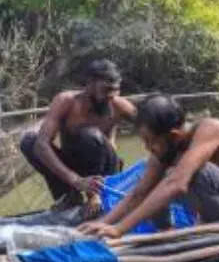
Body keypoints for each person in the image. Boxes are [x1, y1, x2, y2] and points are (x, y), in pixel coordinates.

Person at [79, 94, 219, 239]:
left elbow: (177, 183)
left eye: (151, 141)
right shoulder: (166, 149)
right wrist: (103, 224)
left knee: (195, 173)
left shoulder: (210, 129)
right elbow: (140, 192)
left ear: (174, 136)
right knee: (156, 177)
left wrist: (120, 229)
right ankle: (166, 230)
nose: (147, 147)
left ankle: (214, 234)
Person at [19, 59, 136, 208]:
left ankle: (97, 196)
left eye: (116, 90)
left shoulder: (119, 105)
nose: (111, 96)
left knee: (90, 135)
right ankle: (68, 196)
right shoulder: (66, 101)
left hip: (105, 171)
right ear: (90, 84)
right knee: (29, 142)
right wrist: (75, 180)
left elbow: (154, 125)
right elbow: (41, 145)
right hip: (76, 166)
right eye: (106, 90)